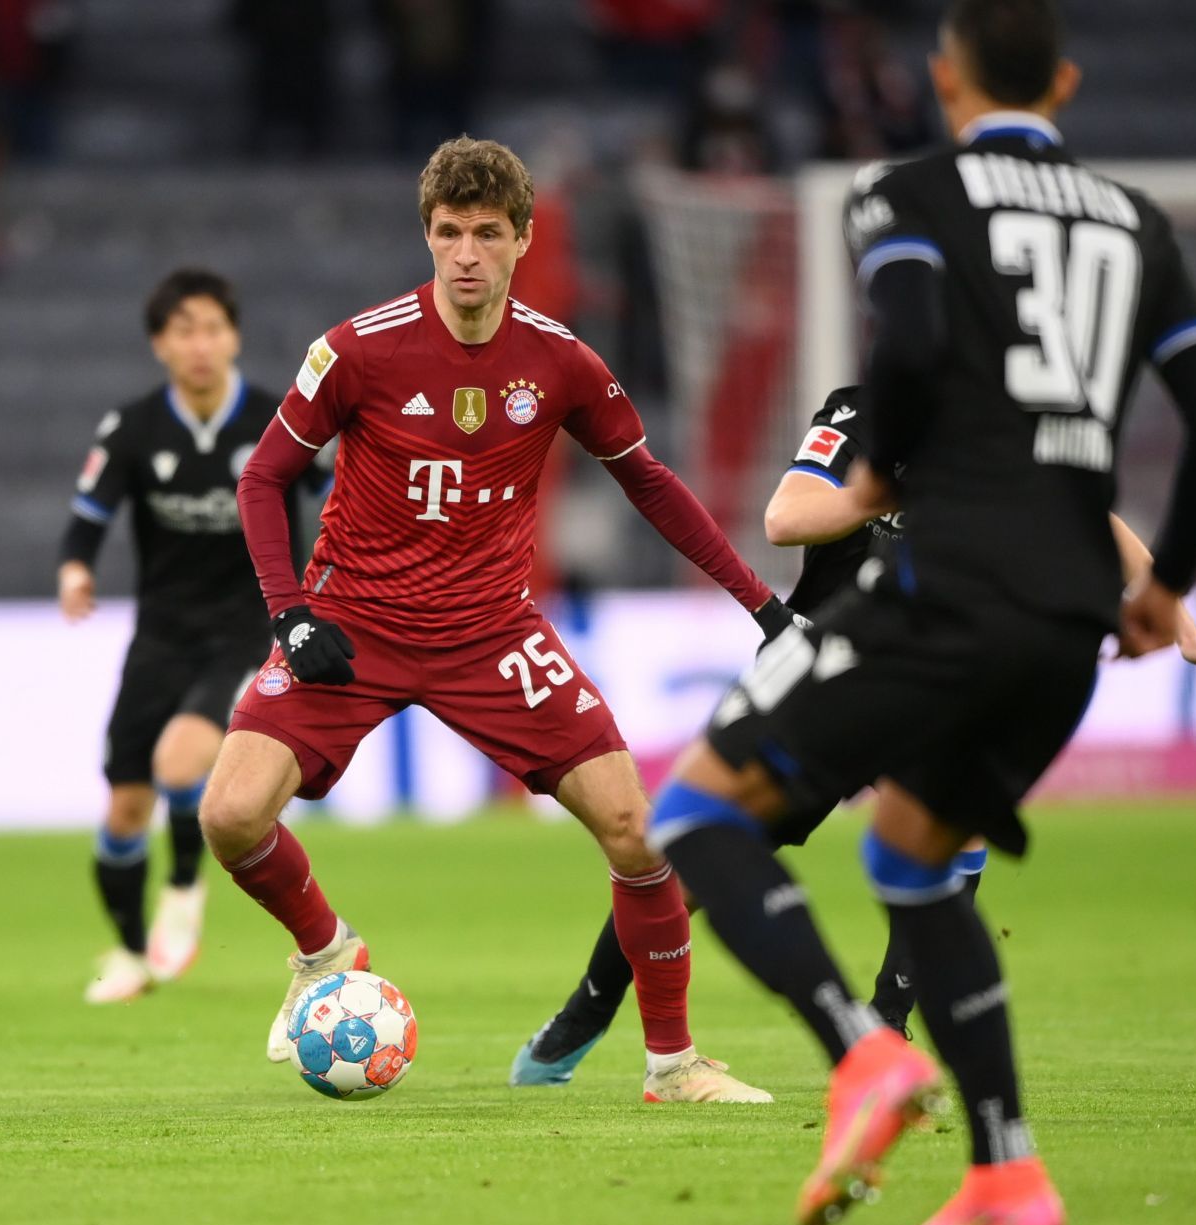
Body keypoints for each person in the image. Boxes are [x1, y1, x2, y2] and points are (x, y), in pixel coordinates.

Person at [644, 0, 1196, 1225]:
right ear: (1067, 81)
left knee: (697, 812)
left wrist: (876, 481)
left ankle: (862, 1055)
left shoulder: (904, 191)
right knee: (914, 856)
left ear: (945, 78)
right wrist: (1166, 589)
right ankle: (1007, 1174)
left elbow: (909, 342)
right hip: (1068, 619)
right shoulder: (1139, 223)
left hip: (949, 583)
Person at [207, 136, 800, 1104]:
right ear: (428, 236)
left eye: (488, 233)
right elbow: (265, 475)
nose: (467, 253)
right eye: (449, 233)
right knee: (230, 814)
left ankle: (674, 1062)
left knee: (638, 835)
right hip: (354, 620)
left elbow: (647, 481)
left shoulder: (560, 362)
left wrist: (762, 602)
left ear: (523, 239)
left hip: (491, 632)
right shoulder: (357, 348)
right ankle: (326, 947)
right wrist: (289, 616)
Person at [510, 386, 1196, 1086]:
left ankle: (887, 1026)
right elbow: (784, 517)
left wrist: (1187, 630)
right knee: (694, 865)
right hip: (830, 663)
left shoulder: (1016, 418)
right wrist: (905, 491)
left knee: (949, 823)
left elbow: (1095, 517)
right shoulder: (863, 411)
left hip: (937, 667)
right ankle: (592, 1003)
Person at [58, 269, 316, 1004]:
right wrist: (75, 570)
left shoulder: (278, 420)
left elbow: (337, 496)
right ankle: (132, 954)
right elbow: (87, 517)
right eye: (183, 331)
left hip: (250, 627)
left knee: (181, 761)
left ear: (233, 337)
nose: (200, 345)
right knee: (123, 810)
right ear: (159, 345)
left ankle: (182, 887)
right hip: (161, 636)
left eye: (212, 328)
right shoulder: (133, 428)